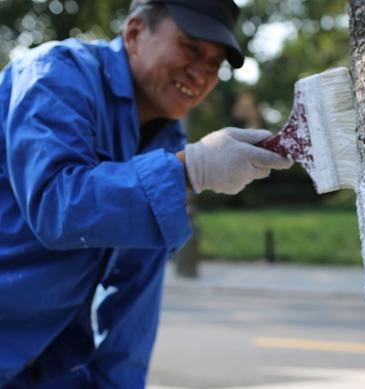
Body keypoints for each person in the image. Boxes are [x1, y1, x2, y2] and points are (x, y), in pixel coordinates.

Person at [0, 0, 292, 387]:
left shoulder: (165, 140)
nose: (202, 73)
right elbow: (57, 205)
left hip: (46, 360)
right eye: (191, 47)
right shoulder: (55, 75)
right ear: (134, 33)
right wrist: (188, 169)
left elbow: (136, 286)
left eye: (215, 64)